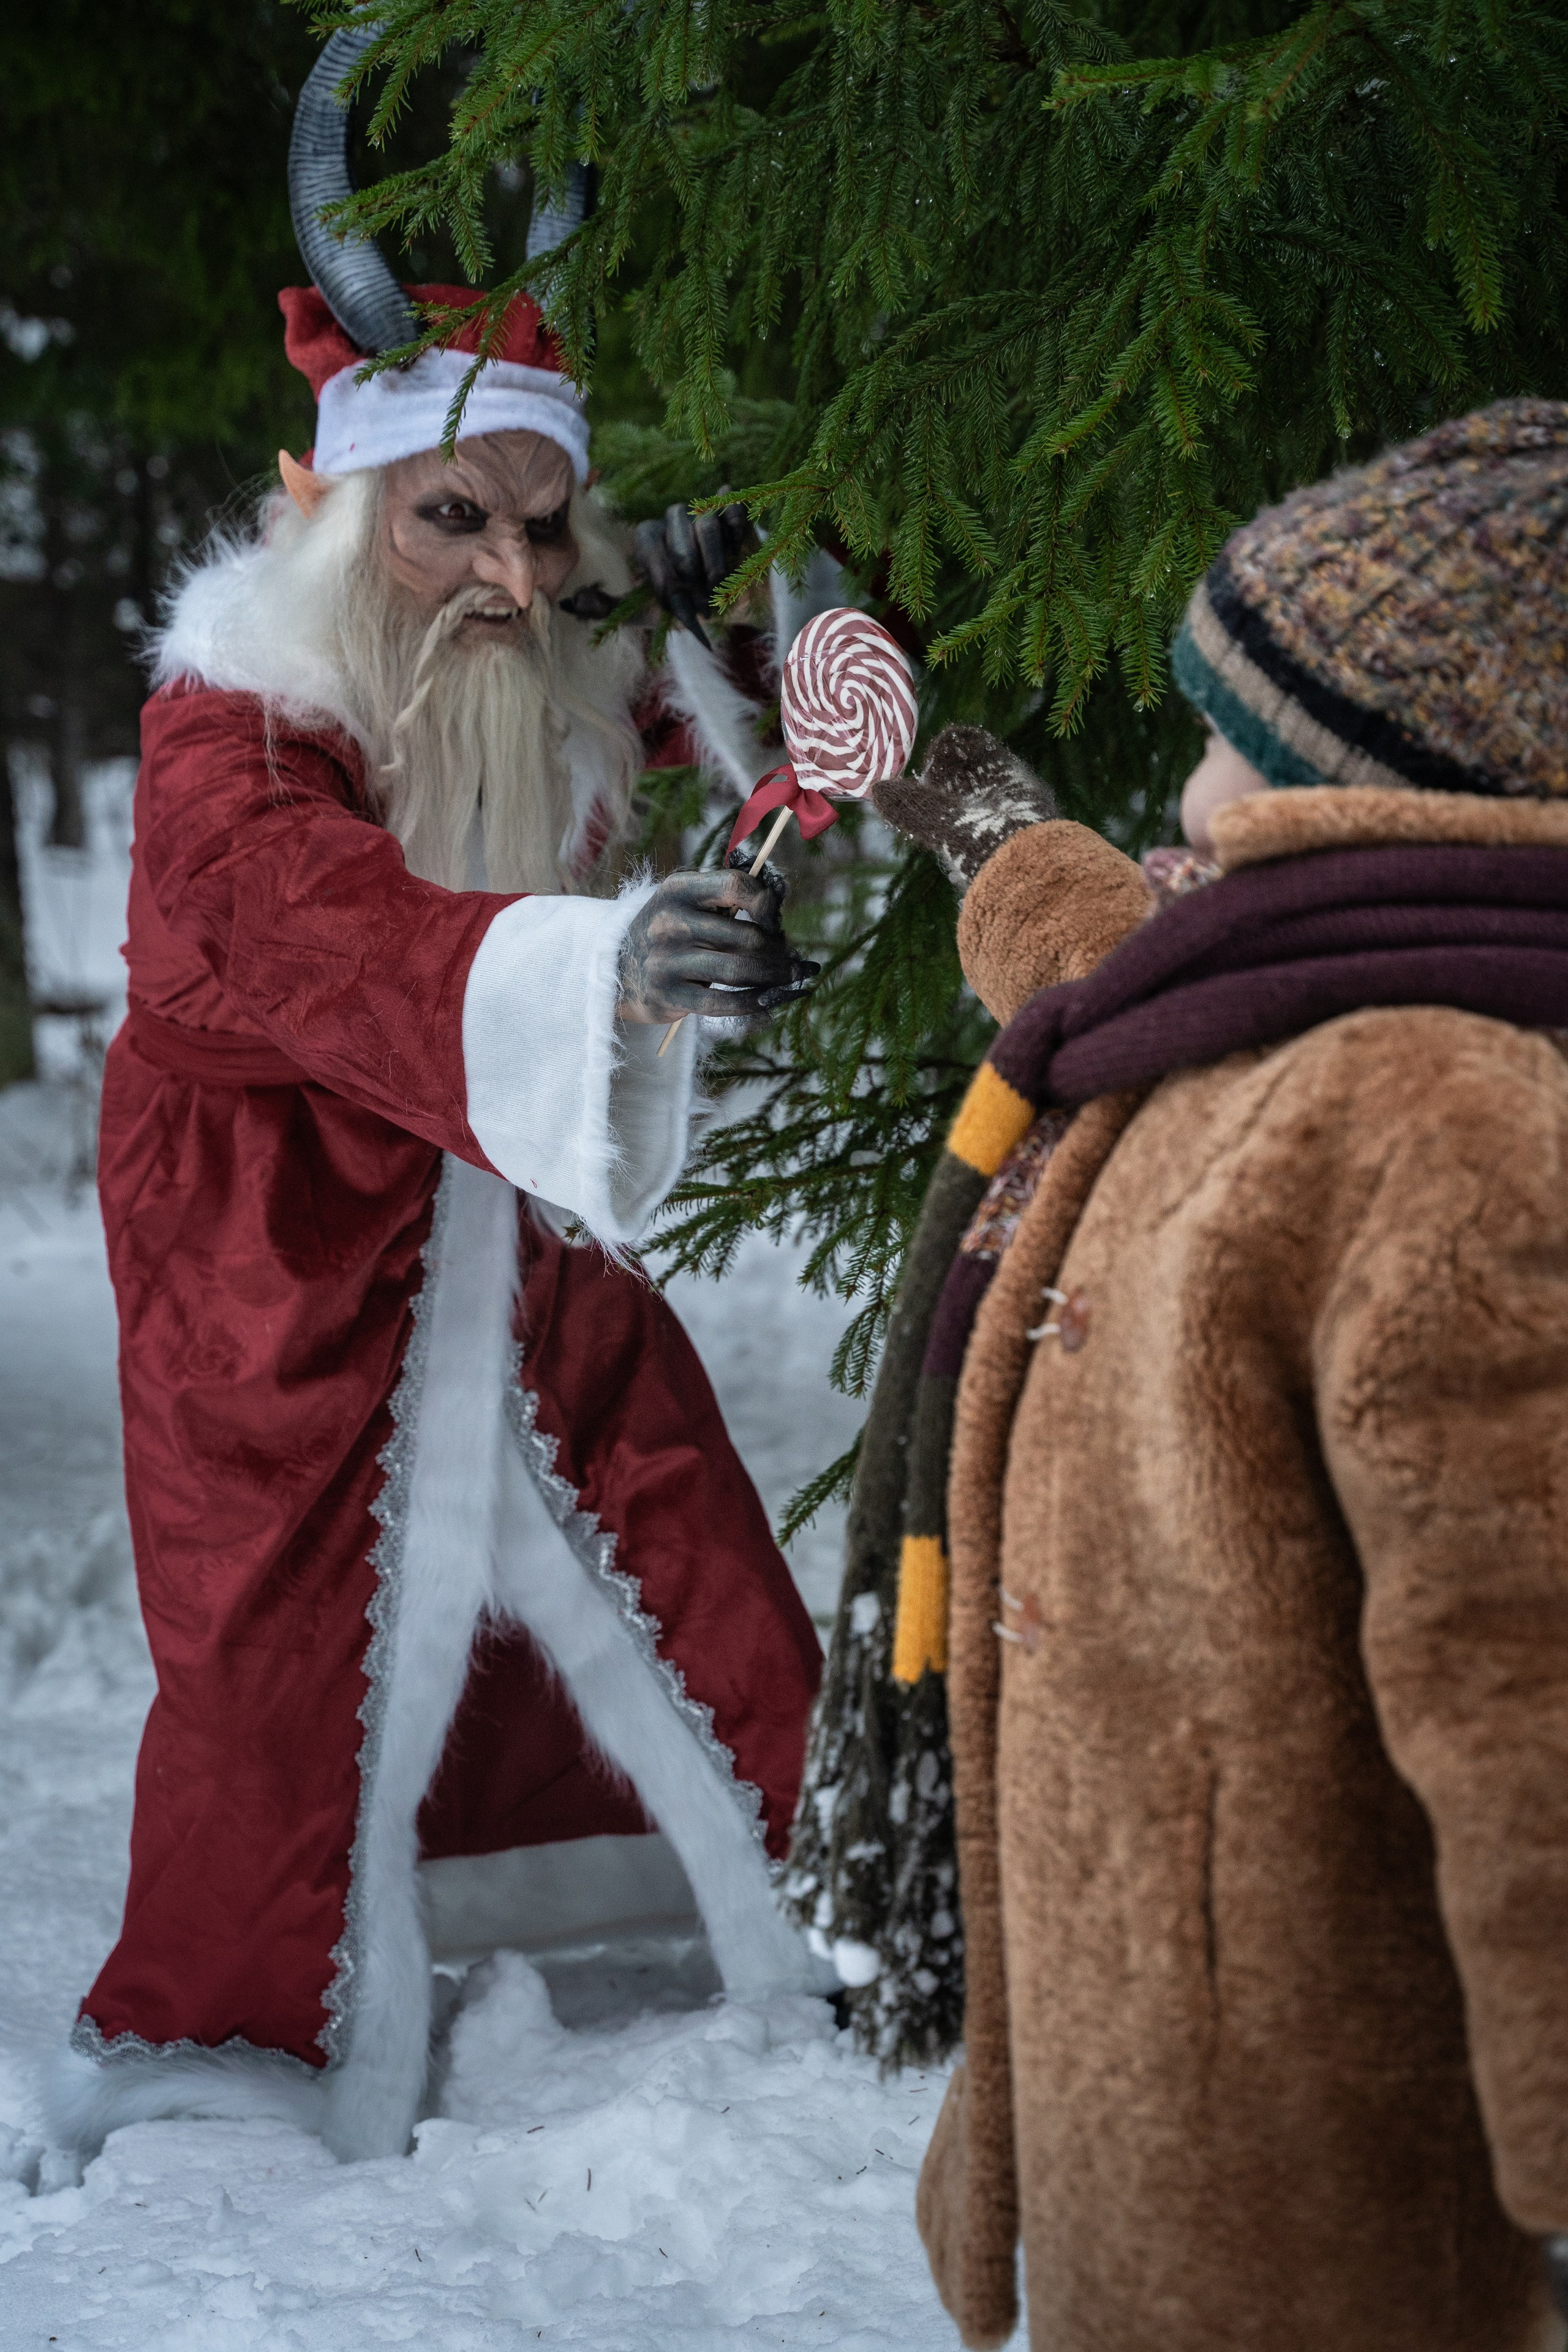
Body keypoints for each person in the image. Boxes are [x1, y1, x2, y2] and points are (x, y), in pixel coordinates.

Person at [47, 246, 836, 2166]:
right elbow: (314, 930)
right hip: (277, 1254)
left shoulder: (545, 658)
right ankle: (228, 2047)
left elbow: (749, 715)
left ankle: (848, 1920)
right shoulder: (229, 723)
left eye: (547, 531)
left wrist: (781, 611)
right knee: (273, 1654)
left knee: (689, 1552)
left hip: (514, 1209)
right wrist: (610, 969)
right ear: (329, 506)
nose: (512, 575)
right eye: (455, 521)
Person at [858, 399, 1568, 2350]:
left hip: (1334, 2219)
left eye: (1222, 729)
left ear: (1358, 775)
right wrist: (942, 784)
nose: (1181, 779)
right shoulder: (1266, 992)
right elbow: (1085, 947)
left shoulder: (1440, 1108)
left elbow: (1535, 1702)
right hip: (1162, 2133)